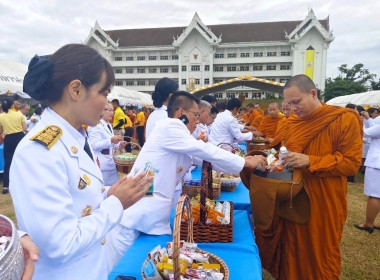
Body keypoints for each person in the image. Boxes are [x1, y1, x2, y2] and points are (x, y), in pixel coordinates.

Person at [10, 44, 153, 280]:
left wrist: (107, 193)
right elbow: (60, 245)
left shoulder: (73, 136)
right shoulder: (39, 150)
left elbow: (78, 198)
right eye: (104, 93)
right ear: (76, 90)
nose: (107, 104)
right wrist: (116, 203)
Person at [106, 91, 267, 267]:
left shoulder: (179, 135)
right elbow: (203, 150)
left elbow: (206, 158)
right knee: (121, 267)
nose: (197, 120)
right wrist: (243, 162)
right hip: (136, 213)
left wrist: (240, 163)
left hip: (150, 213)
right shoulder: (170, 127)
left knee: (142, 265)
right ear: (181, 113)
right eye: (195, 115)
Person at [255, 74, 362, 279]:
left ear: (313, 94)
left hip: (323, 199)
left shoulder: (343, 118)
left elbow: (351, 164)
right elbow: (285, 153)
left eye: (297, 102)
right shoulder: (293, 122)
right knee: (291, 248)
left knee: (318, 253)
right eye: (289, 104)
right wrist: (274, 161)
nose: (293, 109)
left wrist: (311, 161)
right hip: (292, 194)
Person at [88, 102, 127, 185]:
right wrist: (111, 140)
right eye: (108, 110)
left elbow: (109, 143)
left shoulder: (108, 124)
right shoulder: (95, 124)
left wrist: (118, 144)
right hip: (102, 164)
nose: (111, 113)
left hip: (110, 162)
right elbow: (93, 145)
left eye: (112, 110)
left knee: (113, 188)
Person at [354, 111, 380, 233]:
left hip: (377, 163)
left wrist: (359, 121)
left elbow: (365, 132)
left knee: (374, 195)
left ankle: (368, 224)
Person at [0, 98, 27, 194]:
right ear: (12, 105)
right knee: (22, 160)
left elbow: (1, 131)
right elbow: (24, 128)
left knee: (8, 162)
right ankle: (24, 183)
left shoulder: (1, 116)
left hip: (9, 139)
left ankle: (6, 186)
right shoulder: (19, 114)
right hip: (19, 137)